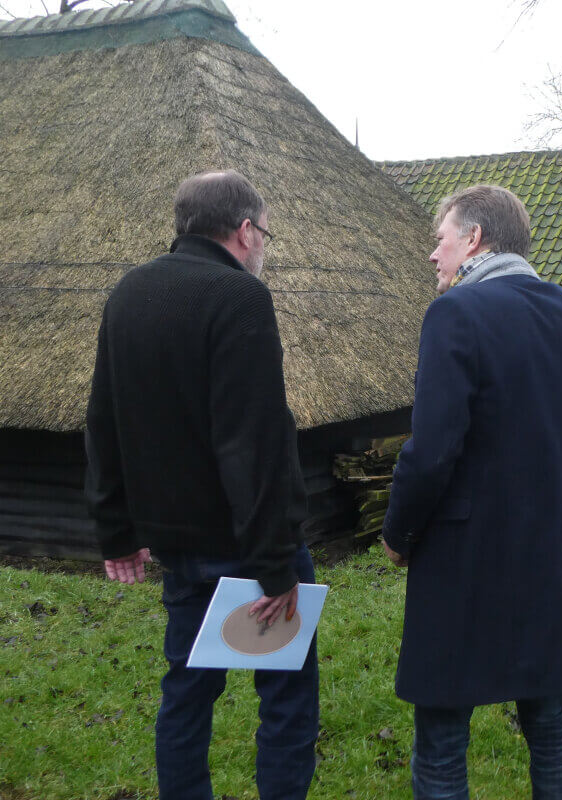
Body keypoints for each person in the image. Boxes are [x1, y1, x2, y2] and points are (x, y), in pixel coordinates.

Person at [381, 184, 562, 799]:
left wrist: (397, 533)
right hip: (554, 553)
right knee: (550, 726)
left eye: (438, 240)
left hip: (466, 561)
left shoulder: (456, 314)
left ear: (474, 240)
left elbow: (432, 450)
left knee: (443, 737)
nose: (432, 256)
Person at [85, 170, 317, 800]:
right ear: (245, 230)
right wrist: (275, 566)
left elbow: (102, 418)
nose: (262, 245)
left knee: (186, 695)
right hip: (248, 544)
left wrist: (116, 530)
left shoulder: (128, 292)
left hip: (176, 545)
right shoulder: (240, 297)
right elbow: (256, 442)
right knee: (287, 700)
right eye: (263, 232)